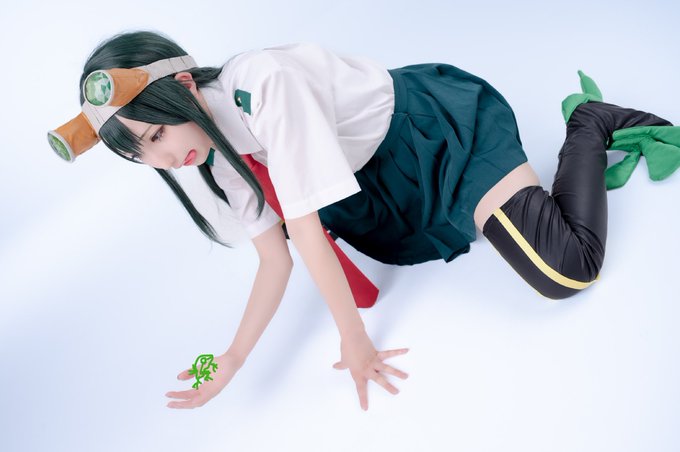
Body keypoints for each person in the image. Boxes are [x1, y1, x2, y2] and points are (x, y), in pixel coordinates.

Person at [48, 31, 680, 411]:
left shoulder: (262, 83)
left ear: (185, 85)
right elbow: (275, 257)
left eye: (159, 134)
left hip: (438, 135)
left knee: (566, 271)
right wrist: (232, 360)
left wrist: (355, 342)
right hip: (378, 188)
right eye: (144, 154)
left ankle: (589, 122)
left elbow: (302, 231)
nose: (164, 158)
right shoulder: (210, 155)